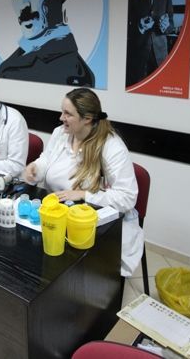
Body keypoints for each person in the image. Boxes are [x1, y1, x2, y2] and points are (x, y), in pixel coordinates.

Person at [23, 88, 143, 277]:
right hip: (58, 215)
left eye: (68, 114)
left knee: (75, 275)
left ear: (87, 119)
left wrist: (84, 194)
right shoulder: (61, 133)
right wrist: (36, 167)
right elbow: (47, 159)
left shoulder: (111, 147)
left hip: (92, 225)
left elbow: (127, 197)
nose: (61, 118)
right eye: (62, 111)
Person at [126, 0, 174, 86]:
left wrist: (166, 26)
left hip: (160, 55)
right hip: (138, 53)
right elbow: (122, 27)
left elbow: (171, 25)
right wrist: (139, 27)